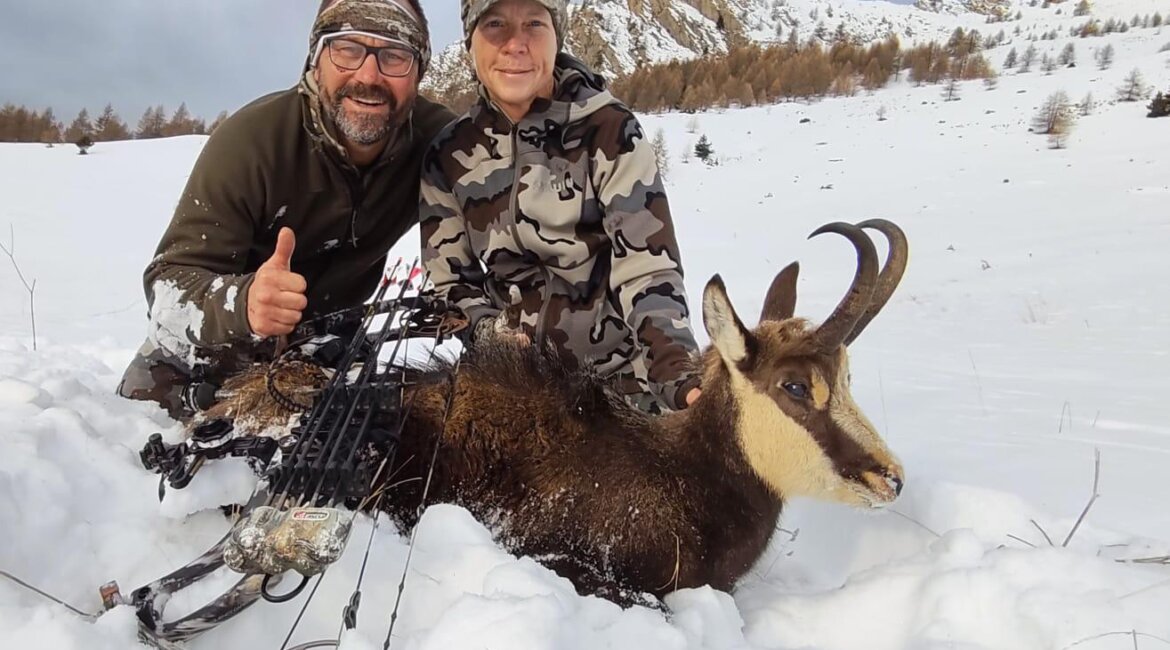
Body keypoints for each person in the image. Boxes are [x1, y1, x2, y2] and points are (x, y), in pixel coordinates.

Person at [117, 0, 454, 421]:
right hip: (212, 349)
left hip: (326, 346)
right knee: (135, 441)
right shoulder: (251, 142)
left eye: (395, 56)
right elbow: (168, 285)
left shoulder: (442, 143)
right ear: (316, 59)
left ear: (419, 72)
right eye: (347, 49)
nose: (369, 76)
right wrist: (245, 303)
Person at [419, 0, 701, 413]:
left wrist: (677, 374)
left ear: (557, 37)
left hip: (619, 385)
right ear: (470, 41)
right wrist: (487, 333)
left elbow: (648, 269)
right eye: (495, 24)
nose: (515, 44)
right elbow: (449, 283)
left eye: (534, 24)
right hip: (509, 387)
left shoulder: (609, 130)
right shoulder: (449, 154)